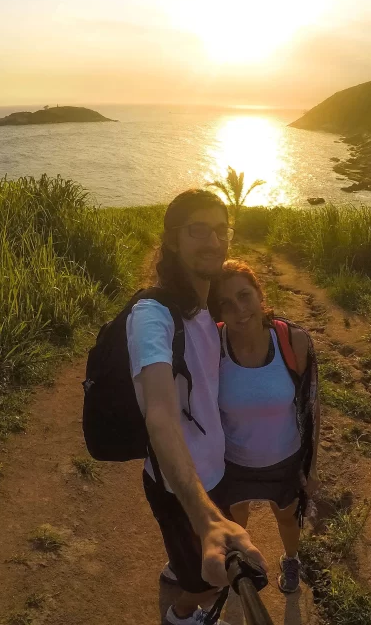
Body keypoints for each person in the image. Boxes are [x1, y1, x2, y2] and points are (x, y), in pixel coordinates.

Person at [127, 190, 265, 625]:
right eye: (197, 230)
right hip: (179, 483)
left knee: (195, 559)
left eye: (221, 230)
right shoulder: (152, 315)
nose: (213, 241)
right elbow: (160, 414)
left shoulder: (203, 307)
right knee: (208, 578)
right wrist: (206, 520)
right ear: (171, 240)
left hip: (214, 470)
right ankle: (181, 615)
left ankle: (180, 559)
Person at [209, 259, 321, 595]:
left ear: (260, 294)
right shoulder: (212, 345)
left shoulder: (294, 342)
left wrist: (312, 468)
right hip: (231, 462)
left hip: (284, 460)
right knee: (233, 522)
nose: (239, 310)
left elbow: (313, 407)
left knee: (287, 518)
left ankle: (290, 559)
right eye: (226, 303)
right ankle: (239, 563)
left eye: (244, 296)